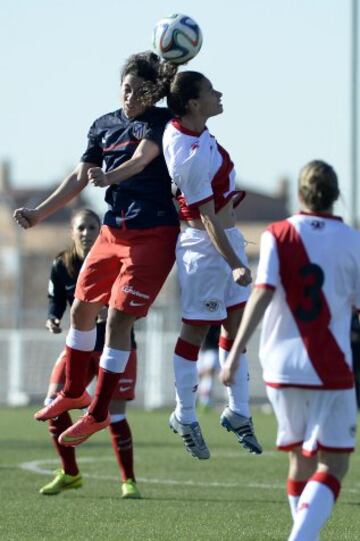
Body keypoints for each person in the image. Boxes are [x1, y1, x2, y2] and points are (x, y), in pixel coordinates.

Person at [13, 51, 180, 446]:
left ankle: (99, 412)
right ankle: (74, 392)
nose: (130, 96)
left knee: (120, 320)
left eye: (140, 90)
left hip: (152, 235)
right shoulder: (103, 125)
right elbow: (77, 176)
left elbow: (142, 160)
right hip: (112, 233)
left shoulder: (160, 122)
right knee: (82, 309)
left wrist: (109, 176)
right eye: (126, 88)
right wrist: (39, 213)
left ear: (154, 93)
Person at [220, 160, 360, 541]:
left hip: (280, 367)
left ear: (300, 194)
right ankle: (301, 537)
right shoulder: (352, 241)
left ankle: (303, 534)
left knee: (300, 459)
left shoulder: (276, 234)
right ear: (336, 195)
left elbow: (262, 292)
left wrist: (234, 353)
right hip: (329, 365)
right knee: (334, 464)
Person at [162, 71, 262, 459]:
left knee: (236, 327)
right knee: (194, 332)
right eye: (210, 91)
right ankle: (184, 414)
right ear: (192, 103)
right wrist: (236, 263)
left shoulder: (194, 130)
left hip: (225, 240)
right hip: (204, 250)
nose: (219, 94)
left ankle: (238, 410)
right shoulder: (187, 154)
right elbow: (207, 218)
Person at [40, 208, 140, 499]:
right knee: (52, 404)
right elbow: (55, 299)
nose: (86, 233)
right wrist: (53, 317)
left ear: (102, 230)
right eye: (81, 228)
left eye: (92, 227)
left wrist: (116, 313)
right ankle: (70, 473)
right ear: (72, 232)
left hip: (117, 348)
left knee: (116, 416)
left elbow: (135, 301)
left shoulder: (118, 261)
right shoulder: (62, 264)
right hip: (80, 351)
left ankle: (129, 481)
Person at [197, 325, 221, 411]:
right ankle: (200, 401)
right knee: (200, 374)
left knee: (209, 373)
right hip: (201, 349)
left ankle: (206, 402)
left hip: (213, 349)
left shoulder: (218, 319)